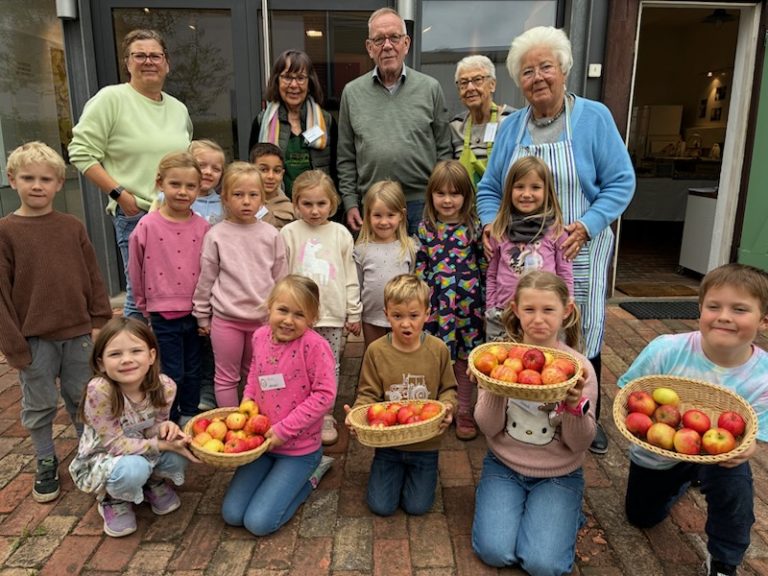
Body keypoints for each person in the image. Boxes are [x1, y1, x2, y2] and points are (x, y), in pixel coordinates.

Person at [476, 26, 635, 454]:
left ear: (563, 70)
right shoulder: (511, 127)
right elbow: (490, 188)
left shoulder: (593, 117)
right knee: (524, 328)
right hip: (520, 251)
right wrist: (492, 225)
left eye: (546, 67)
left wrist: (586, 225)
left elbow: (621, 182)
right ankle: (518, 412)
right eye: (527, 72)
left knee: (580, 329)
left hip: (575, 248)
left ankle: (584, 414)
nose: (538, 78)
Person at [618, 263, 768, 576]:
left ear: (763, 320)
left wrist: (748, 449)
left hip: (719, 456)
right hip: (659, 450)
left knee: (736, 489)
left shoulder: (764, 376)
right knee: (641, 516)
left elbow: (757, 434)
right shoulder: (666, 350)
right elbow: (629, 393)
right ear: (699, 310)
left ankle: (725, 561)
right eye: (714, 306)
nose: (724, 316)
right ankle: (685, 478)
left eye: (739, 309)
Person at [0, 141, 113, 503]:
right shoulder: (6, 232)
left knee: (83, 397)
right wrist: (14, 345)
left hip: (78, 333)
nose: (37, 185)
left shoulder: (71, 226)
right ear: (11, 179)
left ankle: (88, 451)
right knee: (39, 402)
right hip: (34, 339)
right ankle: (46, 457)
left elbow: (93, 276)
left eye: (46, 179)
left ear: (59, 184)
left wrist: (99, 321)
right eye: (28, 178)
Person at [472, 271, 597, 575]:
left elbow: (580, 444)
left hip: (558, 473)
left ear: (566, 311)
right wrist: (493, 387)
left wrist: (573, 406)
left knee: (543, 565)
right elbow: (488, 428)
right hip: (504, 466)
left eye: (548, 310)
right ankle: (541, 515)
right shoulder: (498, 359)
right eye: (529, 310)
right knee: (494, 552)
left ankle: (561, 512)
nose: (538, 319)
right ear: (515, 309)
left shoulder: (578, 369)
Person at [69, 29, 193, 320]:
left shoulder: (178, 109)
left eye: (155, 55)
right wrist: (119, 194)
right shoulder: (110, 99)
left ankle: (165, 358)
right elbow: (81, 152)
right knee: (140, 298)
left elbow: (186, 159)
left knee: (178, 291)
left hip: (177, 214)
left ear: (167, 63)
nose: (148, 61)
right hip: (136, 214)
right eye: (140, 55)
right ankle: (133, 361)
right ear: (127, 63)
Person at [221, 275, 336, 536]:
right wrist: (247, 401)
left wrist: (284, 430)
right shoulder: (260, 337)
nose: (288, 320)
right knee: (232, 514)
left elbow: (324, 395)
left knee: (258, 523)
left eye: (299, 314)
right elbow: (254, 374)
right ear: (269, 307)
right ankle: (277, 480)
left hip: (299, 450)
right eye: (282, 310)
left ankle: (313, 474)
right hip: (262, 445)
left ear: (312, 319)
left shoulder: (315, 347)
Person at [69, 317, 199, 538]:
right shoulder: (100, 390)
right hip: (106, 456)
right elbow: (114, 444)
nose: (126, 360)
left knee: (180, 450)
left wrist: (164, 428)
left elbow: (152, 426)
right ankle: (113, 498)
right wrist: (161, 444)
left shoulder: (165, 386)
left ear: (151, 355)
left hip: (141, 447)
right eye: (115, 354)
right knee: (133, 469)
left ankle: (151, 483)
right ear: (101, 363)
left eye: (135, 351)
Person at [344, 274, 457, 516]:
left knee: (417, 507)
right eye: (398, 316)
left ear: (427, 314)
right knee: (381, 506)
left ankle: (419, 474)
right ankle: (393, 472)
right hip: (389, 444)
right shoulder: (376, 351)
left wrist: (448, 407)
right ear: (386, 314)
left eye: (414, 316)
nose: (406, 324)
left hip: (426, 444)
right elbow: (368, 393)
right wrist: (357, 414)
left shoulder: (438, 349)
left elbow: (449, 388)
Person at [337, 7, 452, 234]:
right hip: (373, 205)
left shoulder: (430, 88)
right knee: (378, 268)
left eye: (394, 38)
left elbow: (444, 151)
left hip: (423, 204)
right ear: (370, 48)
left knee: (422, 269)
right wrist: (350, 202)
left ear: (406, 43)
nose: (387, 46)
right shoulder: (352, 93)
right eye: (379, 39)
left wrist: (439, 200)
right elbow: (346, 157)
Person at [193, 162, 288, 408]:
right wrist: (202, 315)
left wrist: (283, 312)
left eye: (253, 195)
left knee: (256, 373)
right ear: (224, 198)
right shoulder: (216, 235)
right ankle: (229, 422)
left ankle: (257, 419)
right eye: (238, 194)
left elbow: (282, 280)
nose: (246, 201)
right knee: (226, 377)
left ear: (262, 198)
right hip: (227, 320)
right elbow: (207, 278)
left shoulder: (271, 234)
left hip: (262, 320)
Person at [280, 170, 362, 445]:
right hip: (297, 315)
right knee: (296, 363)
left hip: (330, 314)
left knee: (329, 365)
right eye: (307, 204)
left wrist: (354, 311)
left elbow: (350, 275)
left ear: (333, 203)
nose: (314, 211)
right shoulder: (288, 233)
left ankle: (325, 413)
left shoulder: (340, 234)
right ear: (295, 203)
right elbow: (281, 275)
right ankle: (299, 409)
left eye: (321, 204)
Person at [128, 152, 210, 424]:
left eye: (190, 186)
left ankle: (189, 413)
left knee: (195, 367)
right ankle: (170, 418)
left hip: (196, 312)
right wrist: (143, 306)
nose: (183, 192)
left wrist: (207, 310)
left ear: (199, 188)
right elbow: (136, 269)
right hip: (163, 313)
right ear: (160, 183)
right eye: (175, 184)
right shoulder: (147, 225)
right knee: (172, 370)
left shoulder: (203, 227)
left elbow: (211, 270)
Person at [415, 160, 485, 440]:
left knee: (465, 358)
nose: (447, 200)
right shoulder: (425, 229)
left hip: (469, 307)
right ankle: (438, 406)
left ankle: (465, 409)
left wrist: (486, 300)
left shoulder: (474, 227)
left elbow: (482, 265)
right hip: (436, 307)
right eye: (440, 193)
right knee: (437, 355)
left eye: (454, 193)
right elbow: (420, 269)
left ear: (466, 196)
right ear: (431, 194)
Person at [485, 155, 572, 341]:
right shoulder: (499, 229)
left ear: (547, 191)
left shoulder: (556, 231)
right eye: (519, 187)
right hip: (503, 314)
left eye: (535, 187)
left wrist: (566, 302)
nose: (526, 194)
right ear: (509, 190)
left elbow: (565, 272)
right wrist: (491, 306)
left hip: (541, 316)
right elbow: (492, 272)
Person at [248, 50, 337, 198]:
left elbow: (336, 169)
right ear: (277, 81)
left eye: (301, 78)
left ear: (310, 83)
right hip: (277, 209)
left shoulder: (326, 121)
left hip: (316, 209)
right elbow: (251, 170)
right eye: (287, 78)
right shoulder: (262, 122)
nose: (294, 85)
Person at [353, 180, 416, 352]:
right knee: (374, 354)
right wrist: (355, 315)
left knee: (401, 354)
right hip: (371, 316)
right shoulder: (361, 250)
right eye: (377, 215)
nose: (384, 222)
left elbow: (414, 284)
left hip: (402, 317)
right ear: (368, 216)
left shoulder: (409, 247)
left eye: (390, 215)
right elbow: (356, 285)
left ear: (401, 215)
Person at [450, 55, 513, 188]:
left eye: (477, 80)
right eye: (463, 82)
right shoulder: (455, 126)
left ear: (492, 85)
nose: (470, 88)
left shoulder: (511, 122)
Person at [250, 142, 295, 230]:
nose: (271, 176)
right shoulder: (242, 204)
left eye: (276, 171)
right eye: (263, 170)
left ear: (282, 174)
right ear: (250, 170)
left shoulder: (290, 209)